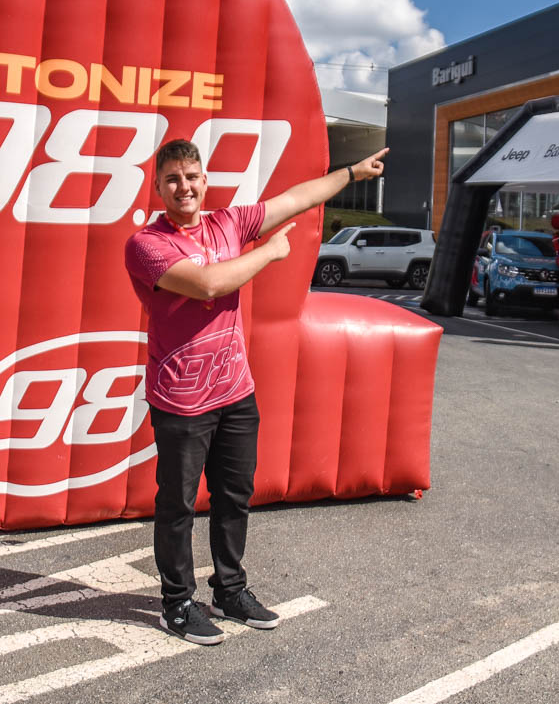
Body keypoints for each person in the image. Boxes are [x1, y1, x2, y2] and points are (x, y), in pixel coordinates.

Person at [124, 138, 388, 646]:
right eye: (172, 179)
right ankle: (177, 603)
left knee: (234, 496)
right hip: (181, 398)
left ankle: (229, 590)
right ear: (157, 187)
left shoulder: (228, 223)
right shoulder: (146, 244)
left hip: (235, 392)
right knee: (178, 505)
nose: (184, 187)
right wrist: (268, 253)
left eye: (191, 177)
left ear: (205, 181)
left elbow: (297, 198)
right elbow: (207, 284)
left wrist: (352, 174)